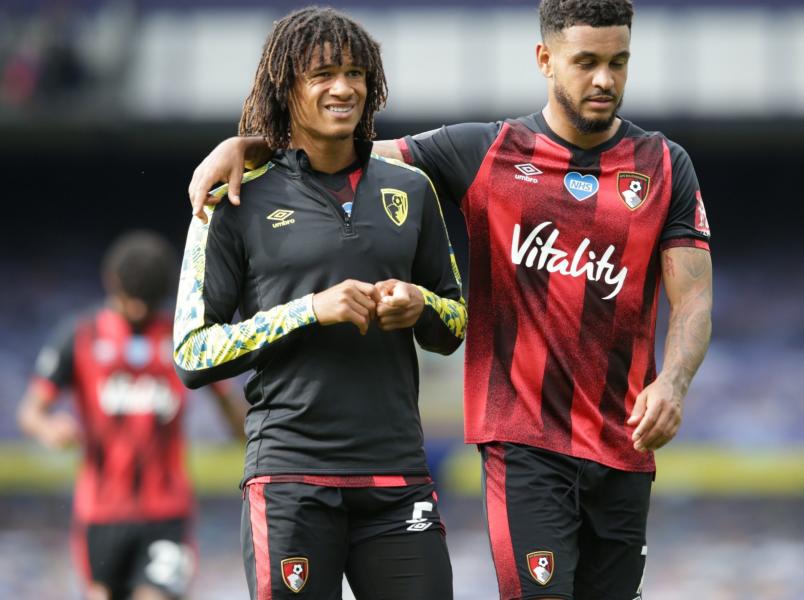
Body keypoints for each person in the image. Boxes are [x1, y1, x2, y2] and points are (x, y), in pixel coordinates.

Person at [187, 1, 712, 598]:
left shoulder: (666, 166)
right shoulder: (484, 152)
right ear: (545, 59)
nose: (604, 79)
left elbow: (694, 301)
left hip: (624, 441)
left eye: (618, 63)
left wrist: (672, 382)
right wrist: (248, 144)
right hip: (523, 442)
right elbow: (345, 152)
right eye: (586, 62)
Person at [172, 7, 466, 600]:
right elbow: (191, 352)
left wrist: (421, 306)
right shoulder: (231, 198)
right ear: (286, 87)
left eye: (356, 72)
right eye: (323, 73)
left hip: (398, 476)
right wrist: (310, 310)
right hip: (289, 480)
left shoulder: (411, 187)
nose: (344, 87)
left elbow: (454, 320)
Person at [17, 230, 247, 600]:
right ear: (113, 285)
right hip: (100, 513)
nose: (139, 312)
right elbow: (31, 410)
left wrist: (249, 433)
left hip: (166, 511)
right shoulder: (80, 336)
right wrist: (47, 428)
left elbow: (227, 399)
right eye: (132, 302)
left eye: (148, 303)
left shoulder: (181, 337)